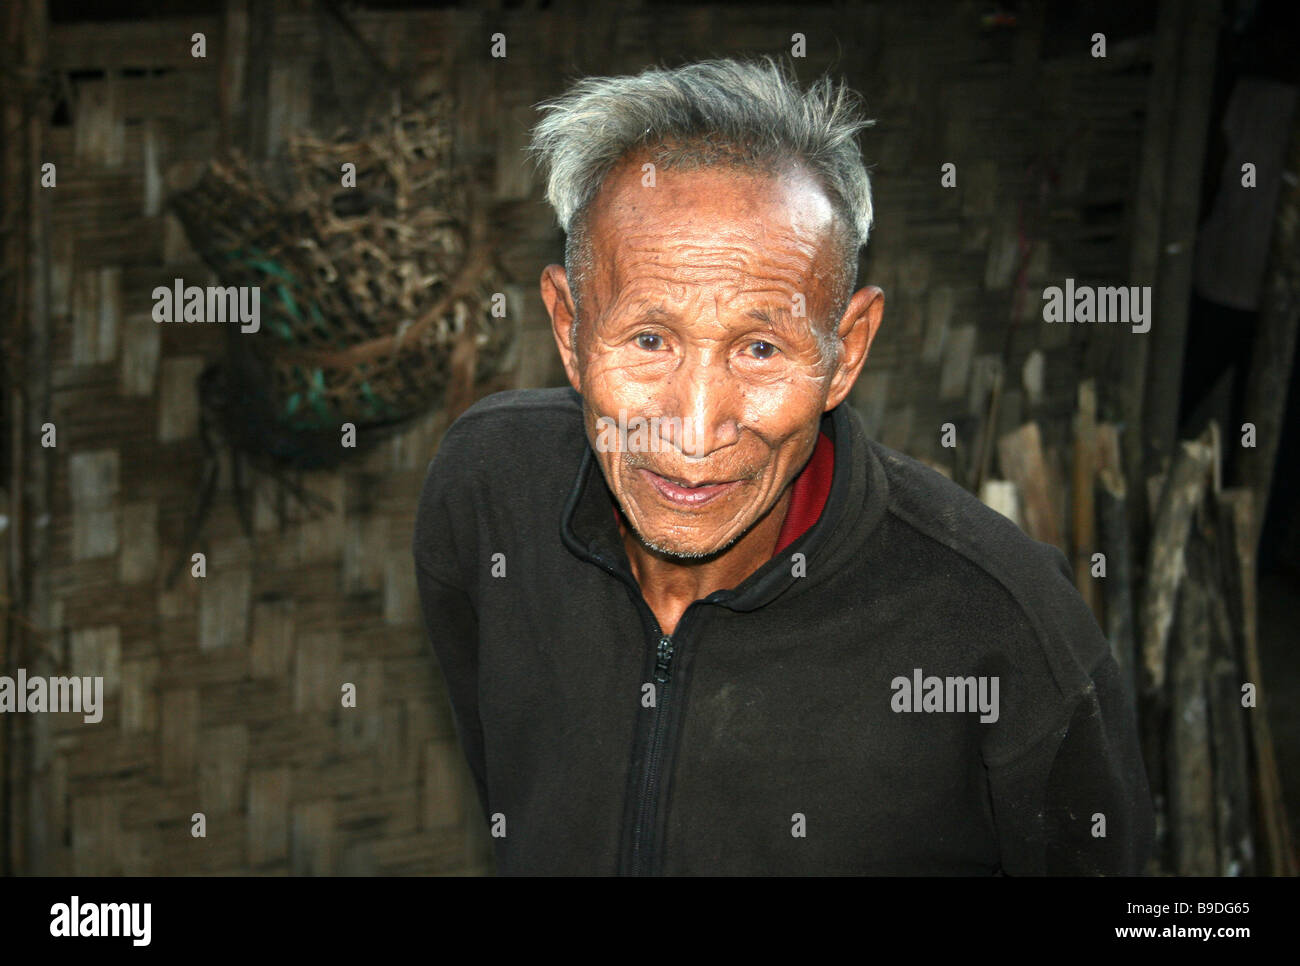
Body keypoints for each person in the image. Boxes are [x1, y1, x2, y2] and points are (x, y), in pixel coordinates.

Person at [413, 57, 1154, 875]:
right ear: (569, 325)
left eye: (761, 349)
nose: (696, 431)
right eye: (649, 340)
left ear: (846, 353)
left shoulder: (1005, 629)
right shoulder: (491, 488)